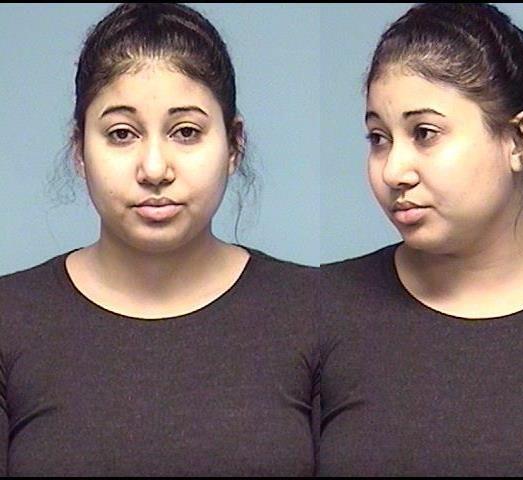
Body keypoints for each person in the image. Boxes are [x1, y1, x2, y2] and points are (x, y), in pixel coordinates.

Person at [318, 3, 523, 476]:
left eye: (424, 133)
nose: (393, 171)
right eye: (378, 138)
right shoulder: (317, 308)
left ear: (520, 140)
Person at [0, 3, 318, 476]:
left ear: (233, 145)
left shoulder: (316, 312)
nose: (154, 169)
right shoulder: (9, 318)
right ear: (79, 149)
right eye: (121, 134)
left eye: (186, 132)